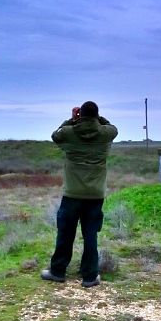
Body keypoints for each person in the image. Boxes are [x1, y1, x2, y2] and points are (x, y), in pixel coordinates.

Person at [41, 101, 118, 288]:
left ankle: (58, 271)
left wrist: (71, 119)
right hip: (96, 194)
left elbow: (55, 135)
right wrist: (96, 119)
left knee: (65, 233)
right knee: (91, 234)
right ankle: (90, 276)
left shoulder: (69, 132)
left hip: (72, 193)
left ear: (80, 114)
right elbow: (113, 128)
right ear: (97, 115)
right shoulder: (105, 134)